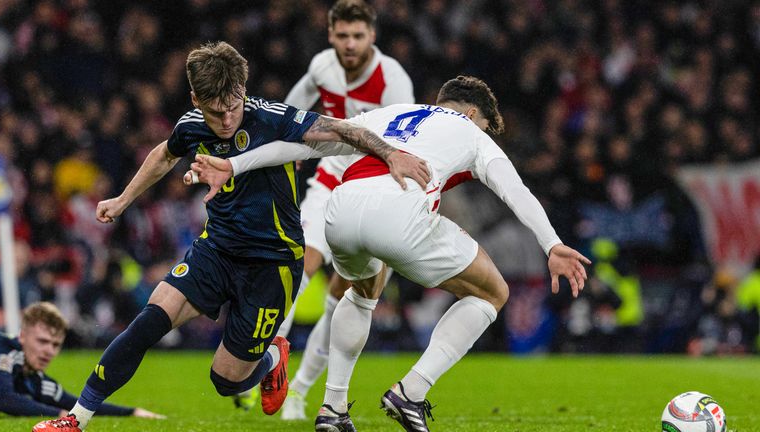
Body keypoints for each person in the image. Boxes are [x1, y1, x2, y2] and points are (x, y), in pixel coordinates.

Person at [33, 40, 430, 432]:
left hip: (272, 265)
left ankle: (272, 359)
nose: (225, 121)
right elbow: (164, 154)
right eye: (213, 112)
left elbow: (343, 130)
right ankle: (75, 419)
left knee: (226, 381)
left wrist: (392, 153)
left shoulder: (273, 118)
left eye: (232, 108)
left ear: (243, 90)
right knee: (147, 322)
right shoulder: (190, 126)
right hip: (217, 250)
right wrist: (123, 199)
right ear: (194, 98)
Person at [189, 75, 590, 432]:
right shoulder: (470, 131)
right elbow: (514, 190)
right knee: (492, 292)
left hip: (342, 211)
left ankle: (333, 408)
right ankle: (411, 391)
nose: (483, 131)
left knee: (362, 293)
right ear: (471, 113)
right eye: (485, 125)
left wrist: (235, 164)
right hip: (400, 214)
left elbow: (298, 146)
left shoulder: (387, 114)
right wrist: (552, 244)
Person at [275, 0, 414, 420]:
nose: (349, 44)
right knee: (301, 264)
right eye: (342, 36)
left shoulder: (392, 80)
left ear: (372, 36)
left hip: (374, 189)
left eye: (358, 36)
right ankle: (271, 363)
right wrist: (289, 145)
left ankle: (299, 391)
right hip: (331, 177)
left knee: (343, 299)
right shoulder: (322, 66)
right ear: (330, 34)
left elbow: (405, 144)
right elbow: (290, 108)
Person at [0, 302, 162, 419]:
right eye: (42, 341)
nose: (49, 351)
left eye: (55, 344)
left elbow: (73, 404)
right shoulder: (2, 348)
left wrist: (131, 412)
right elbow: (5, 399)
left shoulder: (35, 380)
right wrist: (60, 414)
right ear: (22, 336)